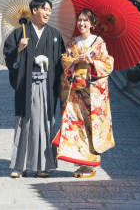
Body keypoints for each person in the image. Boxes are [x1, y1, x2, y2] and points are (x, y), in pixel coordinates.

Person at [3, 0, 66, 178]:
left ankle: (43, 165)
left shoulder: (54, 35)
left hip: (47, 86)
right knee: (25, 122)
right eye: (45, 9)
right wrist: (19, 50)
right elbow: (9, 58)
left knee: (45, 124)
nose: (48, 12)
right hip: (27, 85)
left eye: (50, 10)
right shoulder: (19, 34)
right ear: (35, 10)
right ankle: (20, 165)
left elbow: (62, 61)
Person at [56, 9, 115, 178]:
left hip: (92, 92)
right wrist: (75, 59)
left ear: (92, 24)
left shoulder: (99, 42)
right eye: (79, 20)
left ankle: (91, 166)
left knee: (91, 128)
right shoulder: (72, 42)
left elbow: (108, 64)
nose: (81, 23)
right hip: (74, 92)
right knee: (76, 127)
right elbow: (63, 60)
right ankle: (82, 164)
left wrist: (92, 61)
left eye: (85, 20)